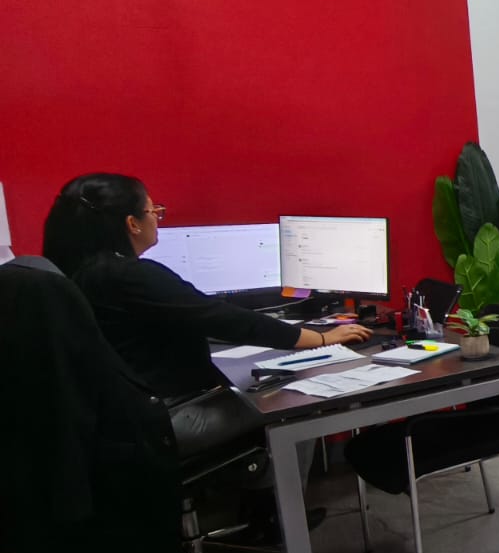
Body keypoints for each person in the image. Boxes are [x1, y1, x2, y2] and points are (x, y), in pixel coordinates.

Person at [41, 173, 372, 531]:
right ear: (131, 223)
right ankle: (278, 522)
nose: (158, 219)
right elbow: (221, 318)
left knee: (255, 387)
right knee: (295, 402)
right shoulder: (128, 275)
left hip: (121, 419)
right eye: (154, 211)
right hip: (164, 420)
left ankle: (259, 505)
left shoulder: (79, 272)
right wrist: (320, 339)